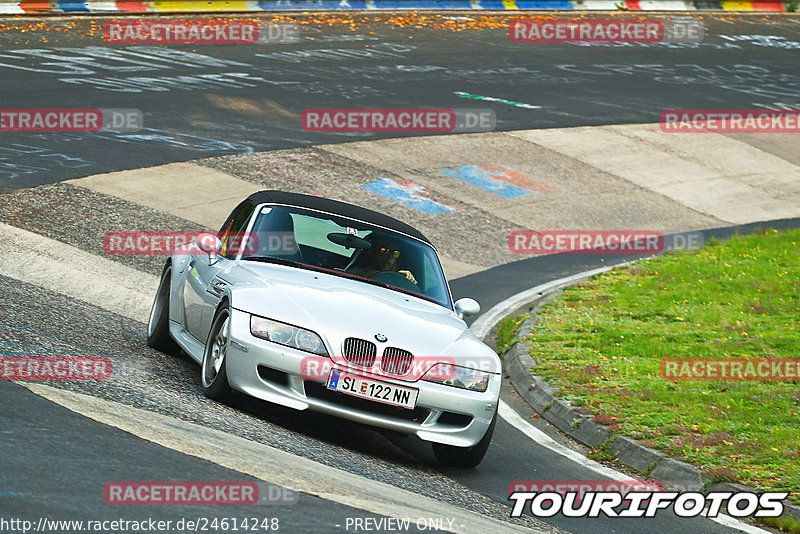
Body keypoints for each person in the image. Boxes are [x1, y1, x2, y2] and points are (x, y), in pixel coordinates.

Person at [349, 239, 417, 285]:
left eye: (395, 253)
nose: (390, 256)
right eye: (384, 251)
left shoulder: (398, 280)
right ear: (372, 252)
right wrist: (372, 275)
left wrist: (409, 281)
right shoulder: (354, 273)